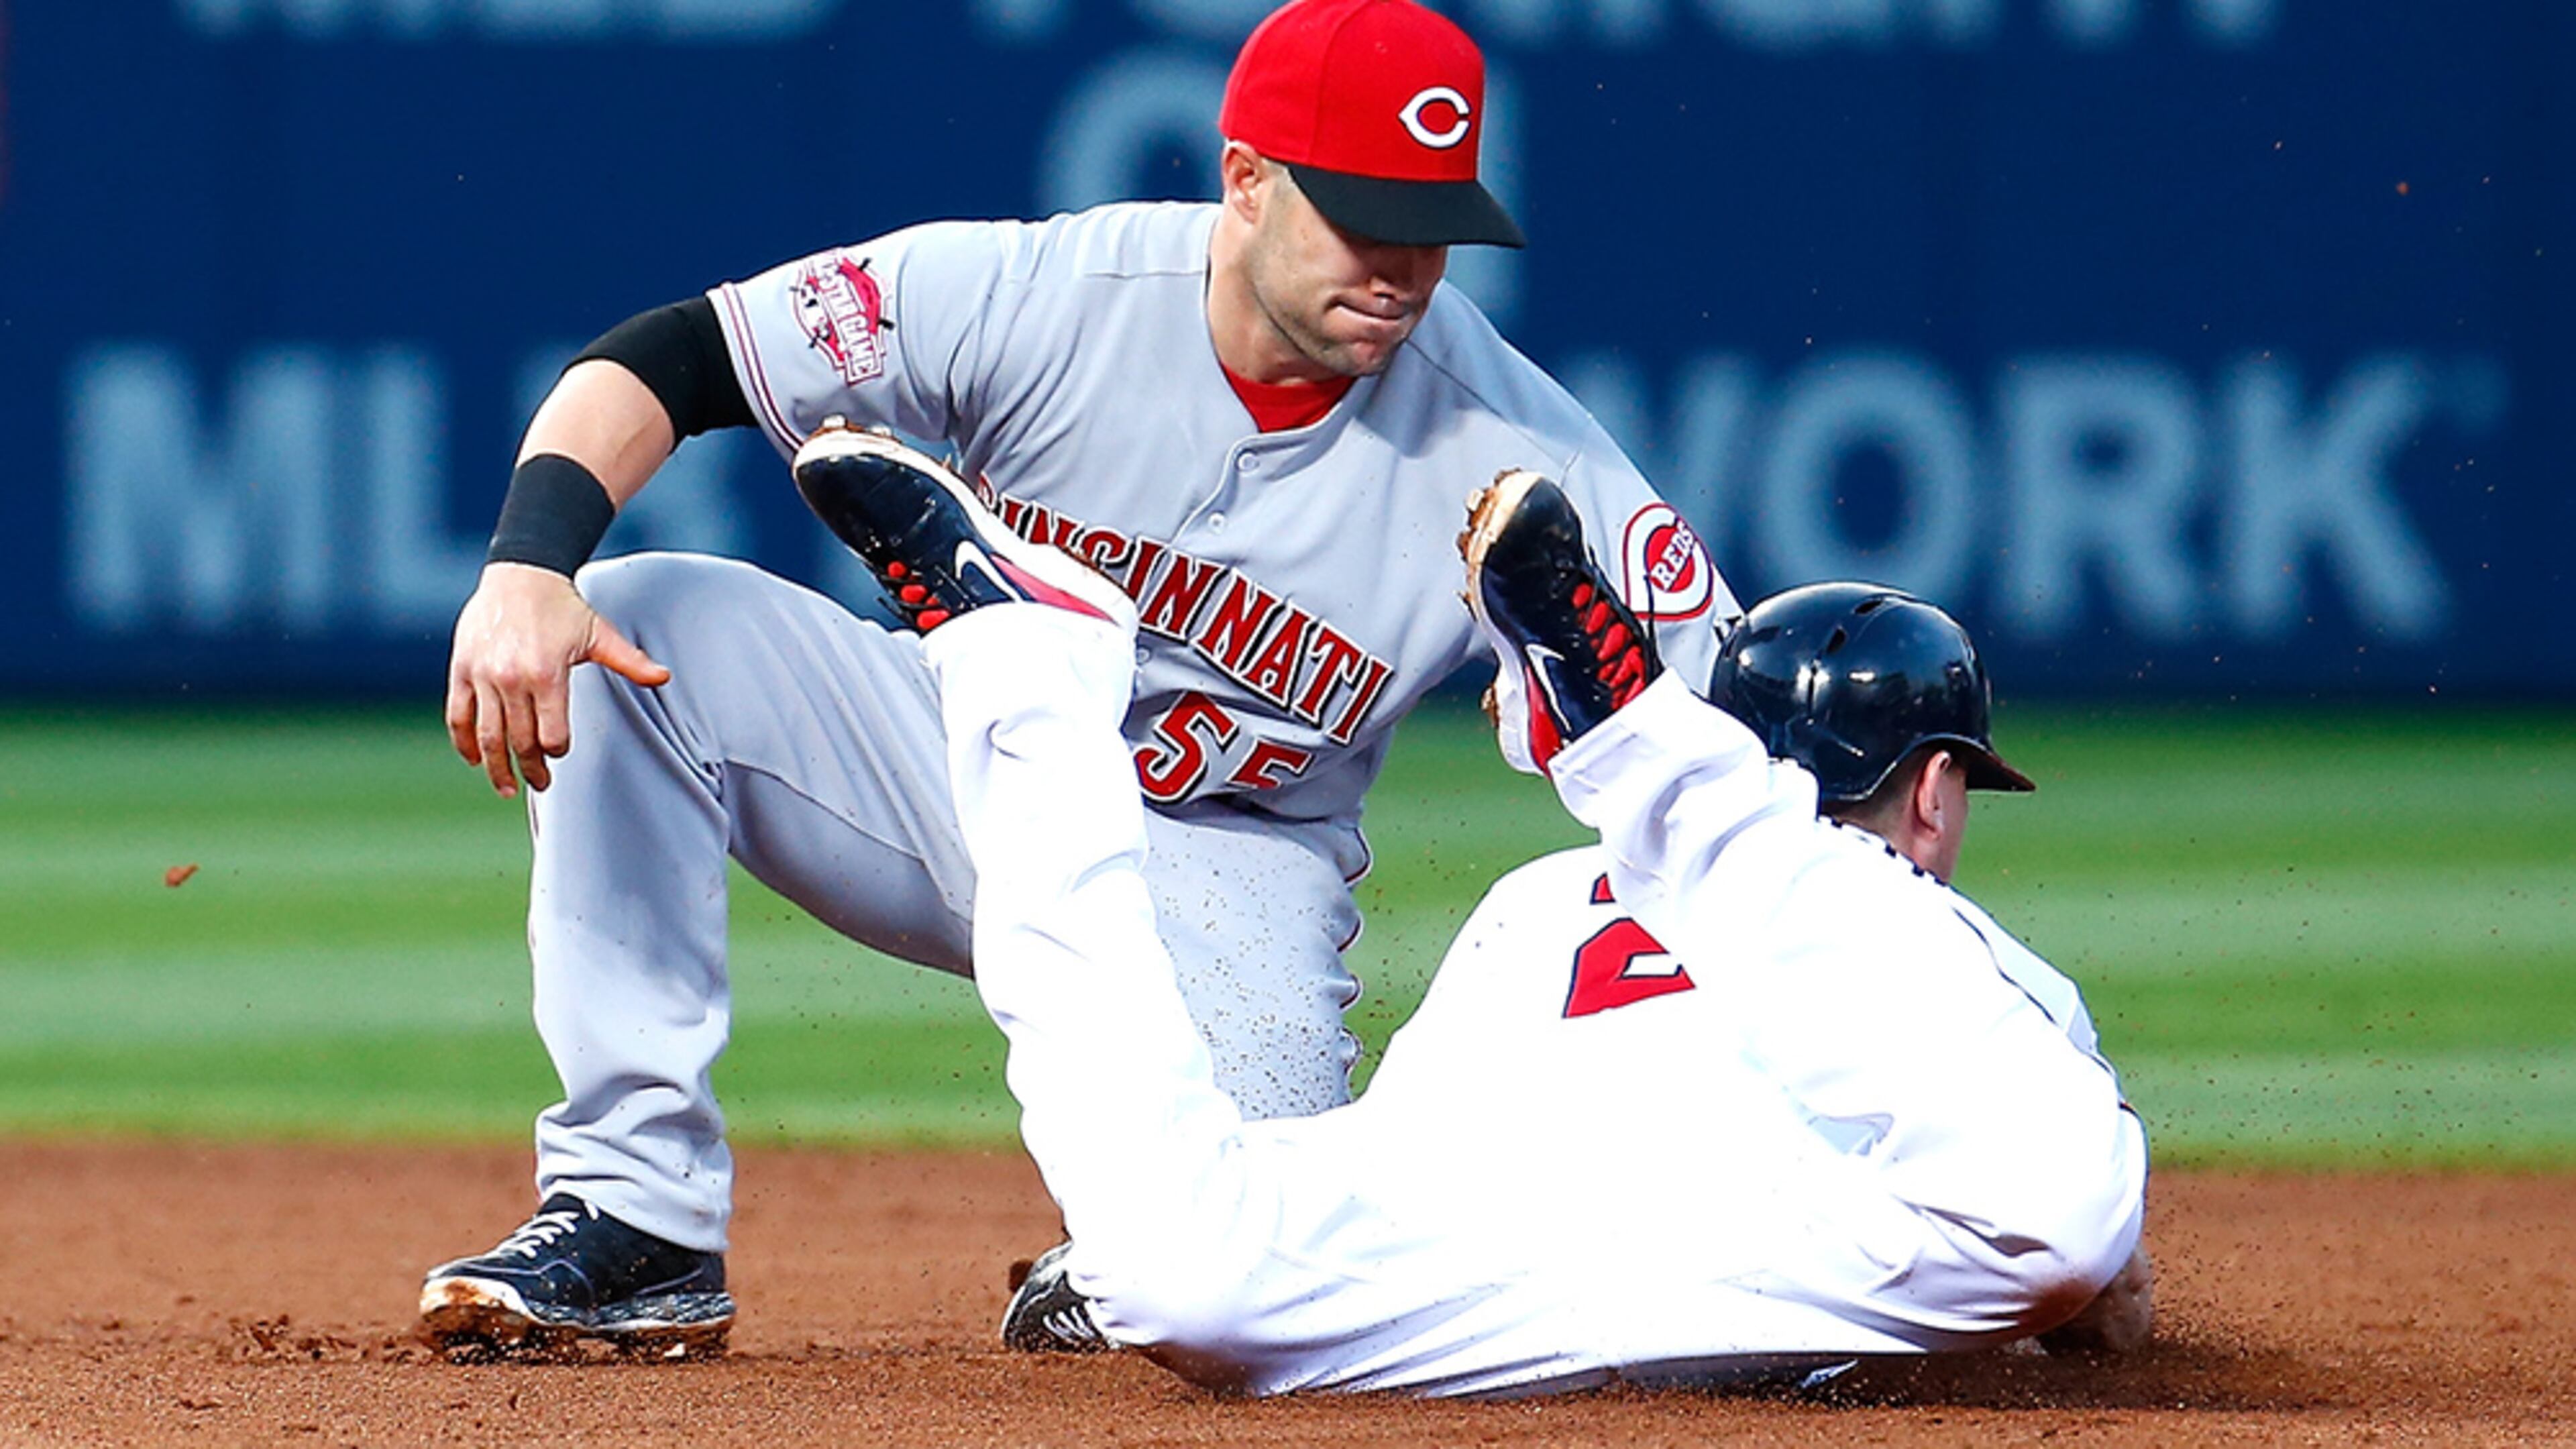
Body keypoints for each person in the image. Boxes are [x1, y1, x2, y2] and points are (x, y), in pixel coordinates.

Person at [421, 0, 1732, 1356]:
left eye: (1432, 226)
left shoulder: (1509, 439)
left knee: (1250, 1289)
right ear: (1246, 178)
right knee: (640, 626)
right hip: (954, 769)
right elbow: (672, 356)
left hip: (1224, 872)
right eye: (1362, 215)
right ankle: (637, 1214)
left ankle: (1110, 1259)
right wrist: (528, 565)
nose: (1402, 267)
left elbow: (1737, 722)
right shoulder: (1051, 296)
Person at [797, 424, 2149, 1397]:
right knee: (2053, 1217)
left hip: (1498, 1277)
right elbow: (2095, 1298)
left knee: (1182, 1276)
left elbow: (1399, 1146)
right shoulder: (1979, 967)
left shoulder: (1544, 898)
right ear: (1930, 792)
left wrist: (1214, 1229)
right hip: (1754, 1252)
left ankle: (1026, 671)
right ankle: (1627, 740)